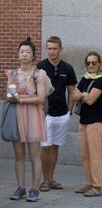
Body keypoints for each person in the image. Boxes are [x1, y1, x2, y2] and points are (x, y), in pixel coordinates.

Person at [6, 37, 48, 202]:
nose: (24, 55)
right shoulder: (13, 73)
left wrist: (21, 99)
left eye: (27, 52)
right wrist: (12, 98)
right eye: (21, 51)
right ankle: (20, 187)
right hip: (16, 115)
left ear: (33, 55)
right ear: (18, 54)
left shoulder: (39, 74)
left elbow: (41, 98)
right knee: (18, 155)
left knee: (34, 155)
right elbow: (9, 96)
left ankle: (35, 189)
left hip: (33, 116)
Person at [37, 36, 77, 192]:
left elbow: (72, 91)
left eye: (54, 48)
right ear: (46, 49)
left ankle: (51, 179)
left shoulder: (67, 68)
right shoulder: (40, 67)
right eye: (49, 48)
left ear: (61, 48)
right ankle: (45, 180)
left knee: (54, 147)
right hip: (45, 114)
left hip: (62, 114)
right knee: (45, 147)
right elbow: (34, 90)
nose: (52, 51)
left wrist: (69, 111)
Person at [71, 51, 102, 197]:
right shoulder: (85, 78)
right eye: (88, 63)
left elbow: (91, 99)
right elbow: (73, 95)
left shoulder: (101, 80)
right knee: (85, 156)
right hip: (83, 122)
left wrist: (82, 94)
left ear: (99, 64)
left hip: (96, 122)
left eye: (94, 63)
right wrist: (82, 94)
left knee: (95, 156)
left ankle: (97, 185)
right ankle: (89, 183)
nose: (91, 65)